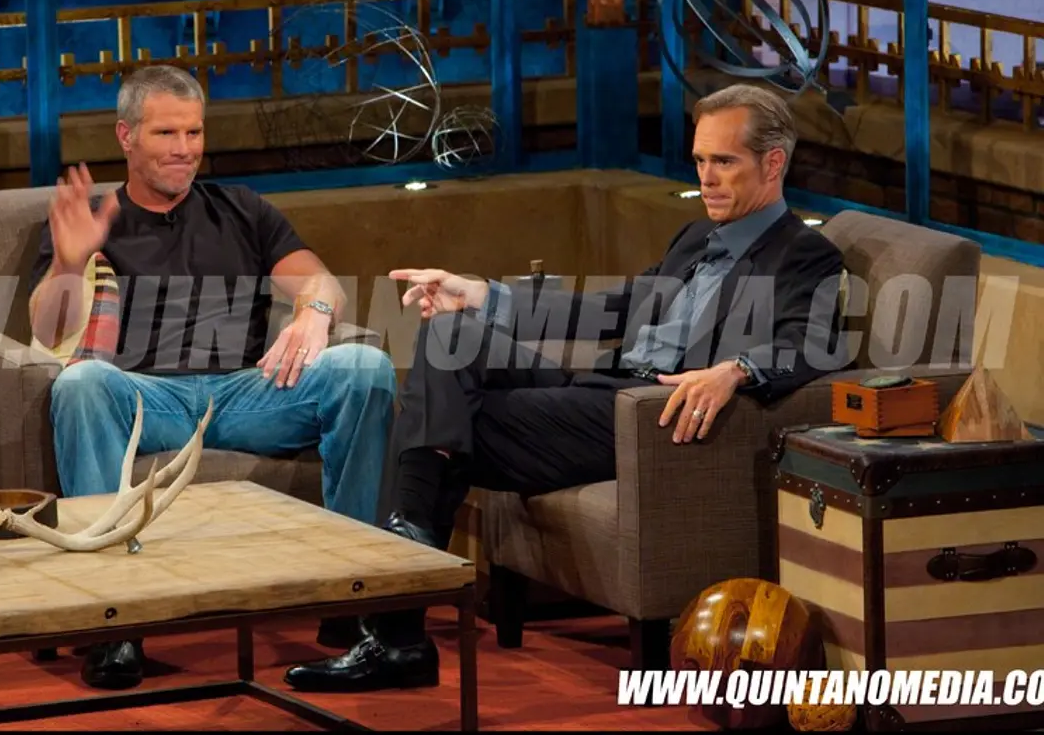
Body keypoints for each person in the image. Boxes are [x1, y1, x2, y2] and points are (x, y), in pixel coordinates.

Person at [282, 82, 851, 693]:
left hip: (646, 418)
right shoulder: (694, 239)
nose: (706, 178)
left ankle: (396, 620)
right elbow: (613, 309)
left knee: (433, 427)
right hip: (598, 391)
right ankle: (404, 589)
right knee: (451, 336)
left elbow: (814, 346)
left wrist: (734, 369)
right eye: (699, 160)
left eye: (724, 162)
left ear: (773, 163)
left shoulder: (803, 254)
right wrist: (482, 294)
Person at [28, 64, 398, 691]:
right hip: (145, 397)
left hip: (247, 392)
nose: (184, 149)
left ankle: (356, 596)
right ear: (126, 136)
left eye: (194, 132)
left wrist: (314, 311)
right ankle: (115, 621)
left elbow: (319, 280)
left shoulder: (242, 208)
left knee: (365, 366)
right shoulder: (92, 219)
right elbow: (47, 326)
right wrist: (68, 262)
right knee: (80, 385)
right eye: (165, 133)